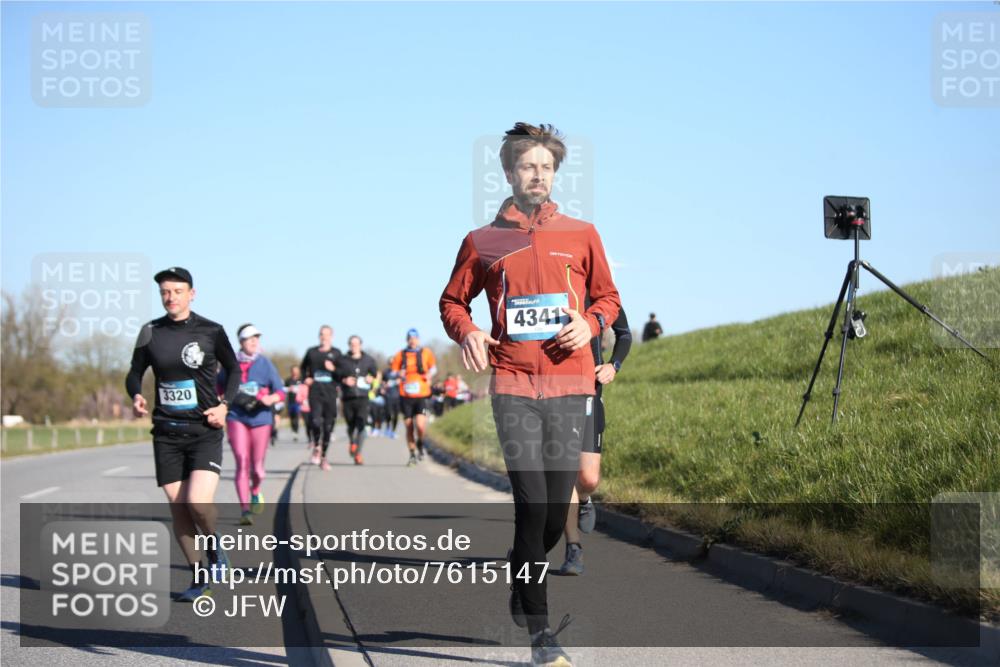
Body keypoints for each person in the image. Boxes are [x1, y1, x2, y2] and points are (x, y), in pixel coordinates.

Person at [440, 123, 620, 667]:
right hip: (514, 384)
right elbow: (451, 302)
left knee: (551, 516)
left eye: (546, 167)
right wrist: (469, 331)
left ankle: (522, 572)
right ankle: (542, 639)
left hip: (570, 384)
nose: (537, 175)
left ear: (555, 174)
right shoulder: (483, 241)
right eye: (527, 166)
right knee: (530, 507)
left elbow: (608, 298)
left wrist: (590, 323)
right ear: (508, 173)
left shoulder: (581, 233)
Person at [125, 267, 237, 602]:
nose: (170, 297)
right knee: (179, 508)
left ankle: (215, 546)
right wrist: (136, 394)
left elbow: (234, 369)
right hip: (167, 433)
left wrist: (225, 405)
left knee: (197, 503)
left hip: (204, 429)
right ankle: (199, 576)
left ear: (192, 294)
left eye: (177, 291)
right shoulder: (150, 332)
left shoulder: (211, 330)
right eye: (165, 292)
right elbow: (134, 371)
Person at [558, 307, 631, 575]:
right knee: (565, 474)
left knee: (588, 479)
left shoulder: (600, 295)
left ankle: (585, 499)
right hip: (555, 392)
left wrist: (613, 365)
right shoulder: (550, 292)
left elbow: (624, 334)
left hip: (590, 390)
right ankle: (573, 547)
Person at [217, 324, 286, 525]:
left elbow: (280, 391)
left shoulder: (265, 363)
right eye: (250, 338)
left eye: (257, 337)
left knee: (257, 468)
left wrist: (270, 398)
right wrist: (221, 400)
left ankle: (255, 490)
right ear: (241, 342)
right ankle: (245, 510)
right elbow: (218, 387)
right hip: (236, 416)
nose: (254, 341)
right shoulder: (230, 363)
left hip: (261, 417)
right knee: (242, 461)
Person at [390, 329, 436, 466]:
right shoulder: (400, 354)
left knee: (420, 426)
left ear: (418, 339)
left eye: (415, 338)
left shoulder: (426, 352)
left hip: (421, 394)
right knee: (409, 426)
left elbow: (433, 368)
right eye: (410, 338)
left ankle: (420, 443)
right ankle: (412, 454)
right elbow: (392, 372)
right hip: (405, 395)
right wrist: (398, 374)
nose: (412, 340)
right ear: (407, 340)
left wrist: (429, 375)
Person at [300, 325, 342, 470]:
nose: (324, 337)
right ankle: (316, 445)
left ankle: (324, 457)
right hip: (315, 392)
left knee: (328, 426)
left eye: (327, 334)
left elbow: (342, 372)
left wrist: (334, 369)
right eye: (322, 334)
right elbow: (302, 368)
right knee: (316, 421)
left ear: (332, 336)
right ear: (319, 336)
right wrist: (306, 378)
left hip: (330, 393)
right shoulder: (312, 352)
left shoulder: (337, 353)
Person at [339, 335, 379, 465]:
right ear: (349, 345)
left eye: (356, 344)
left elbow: (374, 374)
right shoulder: (343, 360)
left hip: (363, 397)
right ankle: (352, 442)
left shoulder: (369, 360)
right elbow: (337, 375)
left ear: (360, 345)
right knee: (351, 425)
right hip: (348, 397)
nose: (354, 346)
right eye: (352, 344)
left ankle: (358, 454)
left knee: (361, 424)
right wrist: (344, 380)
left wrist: (370, 378)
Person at [284, 365, 305, 441]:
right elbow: (283, 389)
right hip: (290, 401)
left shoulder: (301, 379)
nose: (295, 372)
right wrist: (288, 389)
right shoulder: (288, 380)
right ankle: (293, 430)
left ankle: (296, 432)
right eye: (293, 370)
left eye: (296, 370)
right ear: (291, 371)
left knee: (296, 416)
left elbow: (305, 389)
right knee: (292, 417)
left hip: (299, 402)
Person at [381, 366, 402, 438]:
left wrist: (398, 381)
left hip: (398, 397)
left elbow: (404, 380)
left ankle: (393, 431)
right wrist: (384, 386)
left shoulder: (399, 372)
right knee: (388, 413)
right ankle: (387, 428)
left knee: (396, 415)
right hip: (388, 396)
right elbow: (382, 381)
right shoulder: (386, 372)